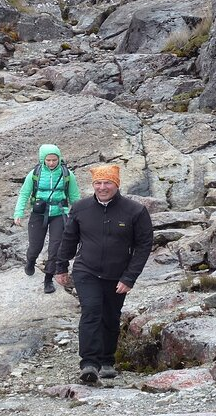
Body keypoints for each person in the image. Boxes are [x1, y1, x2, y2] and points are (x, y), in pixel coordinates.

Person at [55, 164, 153, 383]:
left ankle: (107, 361)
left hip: (117, 275)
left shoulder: (135, 211)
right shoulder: (80, 208)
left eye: (107, 182)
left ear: (116, 184)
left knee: (110, 317)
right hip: (85, 270)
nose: (102, 187)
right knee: (91, 312)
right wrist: (61, 267)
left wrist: (129, 277)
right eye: (98, 183)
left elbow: (144, 245)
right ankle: (89, 364)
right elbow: (69, 239)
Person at [13, 144, 81, 294]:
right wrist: (18, 213)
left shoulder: (67, 174)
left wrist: (80, 217)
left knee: (55, 249)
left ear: (59, 159)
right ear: (42, 159)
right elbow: (24, 194)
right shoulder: (35, 174)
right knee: (35, 246)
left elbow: (75, 198)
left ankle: (48, 279)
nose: (51, 163)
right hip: (39, 213)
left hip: (59, 214)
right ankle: (30, 261)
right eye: (48, 160)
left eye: (54, 160)